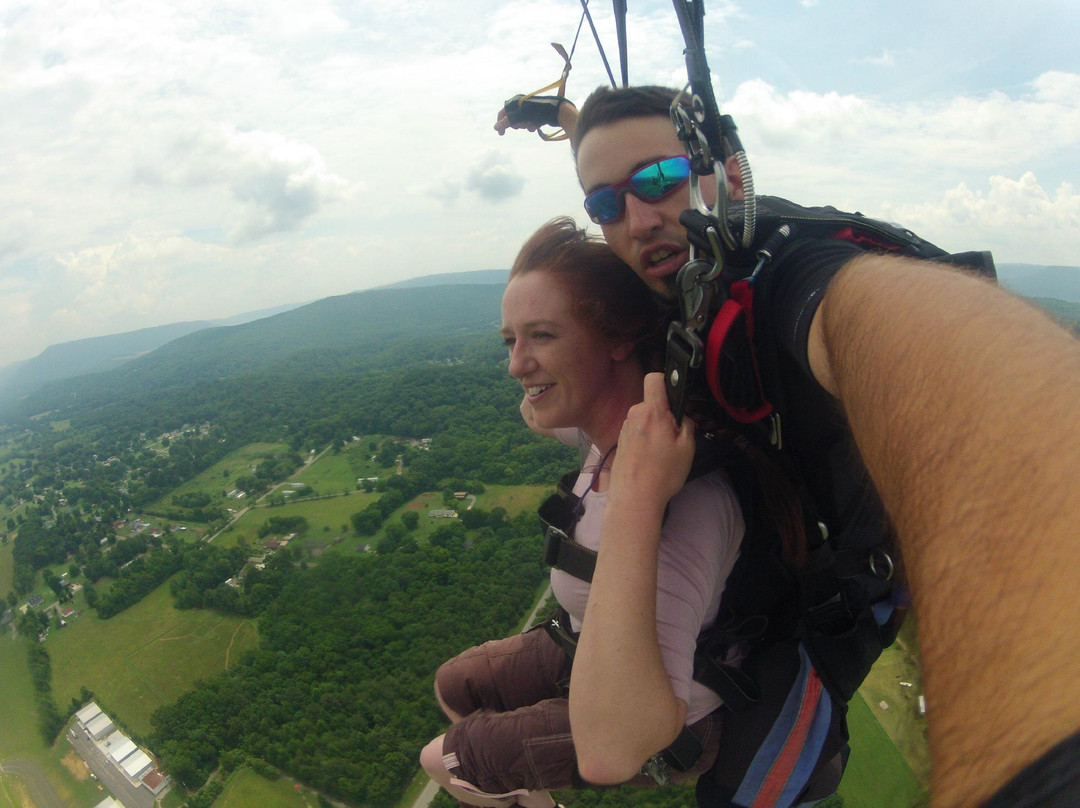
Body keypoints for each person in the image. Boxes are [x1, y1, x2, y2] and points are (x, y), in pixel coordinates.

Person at [498, 85, 1080, 807]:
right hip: (763, 548)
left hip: (825, 596)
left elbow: (892, 325)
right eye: (604, 204)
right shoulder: (677, 267)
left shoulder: (782, 274)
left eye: (661, 178)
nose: (638, 217)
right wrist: (564, 119)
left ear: (730, 177)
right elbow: (630, 180)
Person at [419, 217, 746, 807]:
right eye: (510, 341)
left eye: (541, 336)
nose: (516, 364)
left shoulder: (684, 502)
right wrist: (543, 392)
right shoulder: (606, 430)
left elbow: (611, 752)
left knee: (441, 760)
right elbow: (536, 411)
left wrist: (635, 502)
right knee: (455, 687)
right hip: (584, 633)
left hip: (672, 720)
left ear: (617, 339)